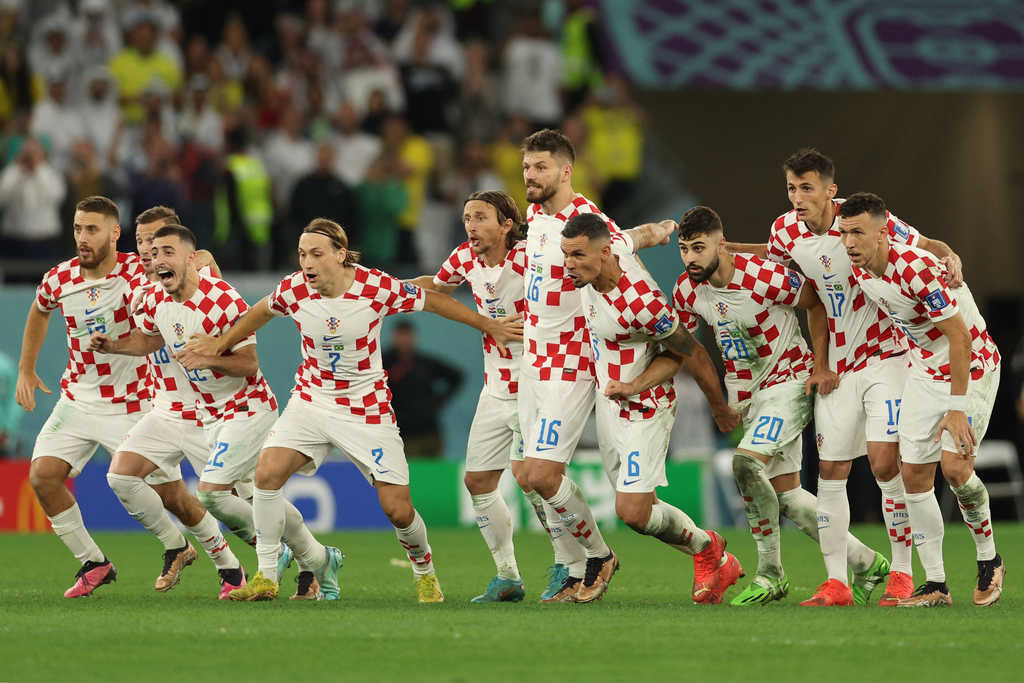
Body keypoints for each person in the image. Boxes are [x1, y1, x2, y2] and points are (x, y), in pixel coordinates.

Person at [182, 218, 521, 603]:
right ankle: (265, 574)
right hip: (310, 400)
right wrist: (222, 342)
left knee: (398, 510)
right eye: (301, 254)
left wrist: (486, 324)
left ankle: (425, 572)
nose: (306, 263)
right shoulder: (293, 289)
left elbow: (435, 301)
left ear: (341, 255)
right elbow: (260, 310)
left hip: (365, 409)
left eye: (316, 254)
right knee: (267, 474)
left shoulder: (375, 286)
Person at [724, 148, 964, 606]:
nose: (798, 197)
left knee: (884, 464)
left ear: (830, 191)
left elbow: (920, 243)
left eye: (807, 187)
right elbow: (784, 265)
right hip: (838, 363)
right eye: (792, 188)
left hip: (889, 357)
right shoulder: (784, 230)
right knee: (830, 472)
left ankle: (900, 571)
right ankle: (837, 583)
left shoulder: (860, 223)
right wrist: (732, 249)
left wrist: (948, 253)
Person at [673, 205, 887, 606]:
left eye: (698, 248)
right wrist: (718, 401)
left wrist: (820, 365)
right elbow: (688, 347)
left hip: (788, 384)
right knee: (786, 495)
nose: (689, 258)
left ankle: (770, 574)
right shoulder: (687, 290)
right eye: (683, 249)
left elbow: (817, 302)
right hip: (748, 398)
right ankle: (866, 561)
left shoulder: (764, 276)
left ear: (720, 243)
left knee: (744, 463)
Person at [518, 128, 676, 603]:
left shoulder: (586, 222)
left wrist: (661, 231)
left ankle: (599, 556)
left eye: (541, 167)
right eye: (526, 167)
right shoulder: (534, 216)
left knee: (543, 475)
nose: (530, 175)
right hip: (531, 362)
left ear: (566, 171)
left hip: (571, 364)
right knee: (530, 477)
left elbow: (625, 243)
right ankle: (571, 568)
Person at [560, 212, 744, 604]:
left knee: (631, 512)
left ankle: (708, 548)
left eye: (577, 256)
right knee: (643, 509)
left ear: (603, 254)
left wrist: (718, 406)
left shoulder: (643, 303)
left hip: (646, 406)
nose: (568, 266)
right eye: (565, 256)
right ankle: (713, 557)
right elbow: (635, 235)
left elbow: (685, 352)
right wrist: (660, 232)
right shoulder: (611, 250)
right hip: (610, 404)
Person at [839, 192, 1004, 607]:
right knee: (913, 477)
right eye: (844, 233)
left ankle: (990, 559)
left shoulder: (915, 269)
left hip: (973, 364)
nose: (849, 242)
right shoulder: (861, 271)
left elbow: (960, 336)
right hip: (925, 372)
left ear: (883, 233)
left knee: (954, 469)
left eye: (857, 233)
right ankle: (936, 585)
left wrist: (957, 410)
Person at [406, 190, 545, 602]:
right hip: (496, 386)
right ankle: (508, 576)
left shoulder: (531, 258)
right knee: (478, 480)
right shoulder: (465, 258)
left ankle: (574, 565)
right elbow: (438, 287)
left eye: (480, 217)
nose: (470, 225)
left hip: (536, 383)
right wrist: (385, 288)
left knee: (532, 478)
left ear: (507, 224)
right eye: (467, 217)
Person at [15, 196, 152, 598]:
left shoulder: (135, 271)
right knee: (42, 476)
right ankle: (94, 562)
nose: (82, 237)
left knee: (172, 493)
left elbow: (179, 266)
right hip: (77, 400)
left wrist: (205, 259)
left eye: (91, 229)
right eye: (77, 228)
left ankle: (230, 565)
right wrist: (27, 368)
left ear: (114, 232)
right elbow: (40, 310)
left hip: (132, 401)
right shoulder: (59, 277)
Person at [381, 320, 463, 458]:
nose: (404, 340)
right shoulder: (383, 363)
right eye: (401, 335)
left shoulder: (424, 363)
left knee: (432, 475)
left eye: (407, 335)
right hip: (399, 432)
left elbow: (457, 376)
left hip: (428, 431)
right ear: (394, 337)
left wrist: (439, 401)